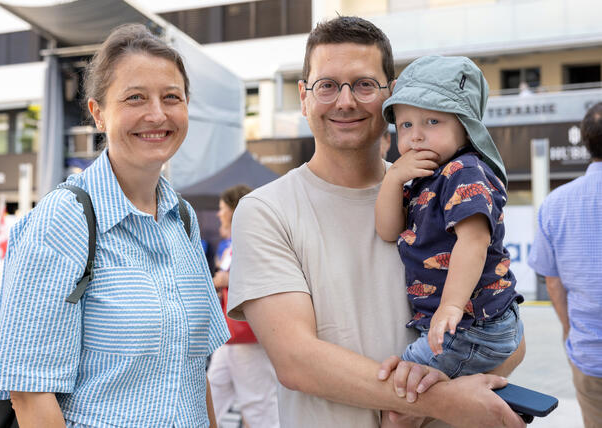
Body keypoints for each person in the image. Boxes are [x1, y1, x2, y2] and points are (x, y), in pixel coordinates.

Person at [227, 16, 526, 428]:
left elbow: (513, 340)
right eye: (327, 85)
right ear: (303, 97)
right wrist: (439, 401)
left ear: (391, 94)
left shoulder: (438, 189)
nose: (345, 101)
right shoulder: (266, 210)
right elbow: (297, 361)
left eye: (364, 85)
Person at [0, 24, 229, 428]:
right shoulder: (63, 220)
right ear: (98, 113)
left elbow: (192, 374)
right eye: (135, 97)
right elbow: (29, 394)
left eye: (172, 97)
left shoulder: (181, 218)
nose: (157, 114)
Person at [375, 56, 524, 427]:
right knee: (415, 386)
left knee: (400, 396)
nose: (417, 135)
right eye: (406, 124)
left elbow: (473, 242)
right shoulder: (424, 176)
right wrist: (393, 181)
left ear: (466, 126)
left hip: (472, 324)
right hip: (468, 323)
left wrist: (451, 307)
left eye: (433, 121)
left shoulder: (463, 170)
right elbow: (387, 230)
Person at [528, 102, 602, 428]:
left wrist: (570, 331)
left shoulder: (556, 204)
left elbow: (552, 281)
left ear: (585, 142)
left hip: (588, 355)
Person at [208, 185, 280, 428]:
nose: (219, 214)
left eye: (222, 209)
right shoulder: (232, 243)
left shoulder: (255, 240)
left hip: (247, 334)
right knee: (212, 393)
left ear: (234, 210)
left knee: (258, 404)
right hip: (230, 335)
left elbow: (268, 275)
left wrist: (228, 279)